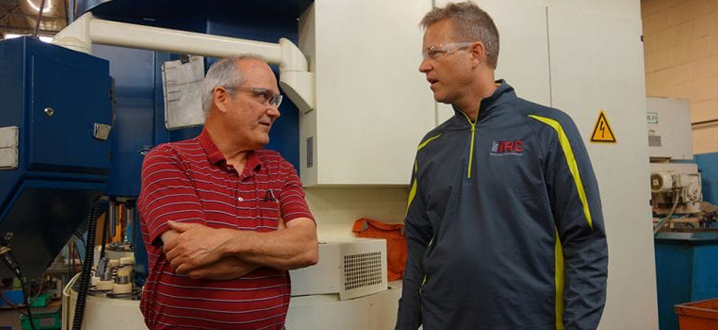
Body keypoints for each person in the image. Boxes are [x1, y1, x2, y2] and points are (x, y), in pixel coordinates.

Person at [396, 2, 608, 330]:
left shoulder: (548, 130)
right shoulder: (430, 148)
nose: (424, 66)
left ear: (475, 53)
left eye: (435, 52)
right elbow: (418, 246)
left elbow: (586, 242)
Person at [138, 55, 318, 330]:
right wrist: (276, 243)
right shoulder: (169, 159)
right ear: (222, 98)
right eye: (263, 97)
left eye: (274, 100)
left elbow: (306, 248)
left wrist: (223, 241)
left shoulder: (279, 167)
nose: (274, 111)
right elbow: (192, 259)